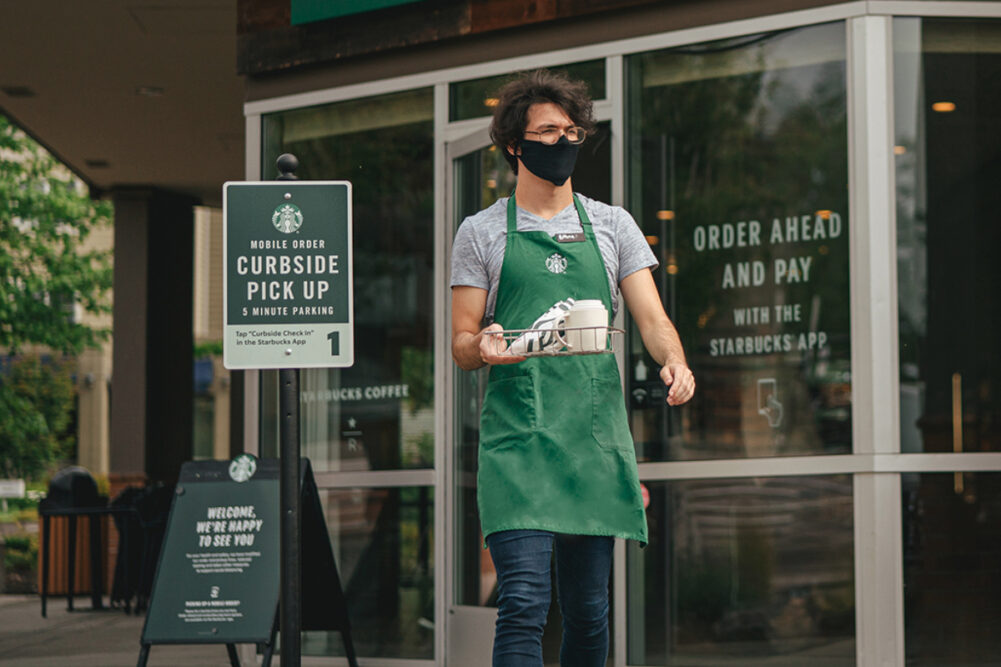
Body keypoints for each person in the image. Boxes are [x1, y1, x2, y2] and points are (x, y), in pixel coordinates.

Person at [450, 69, 695, 667]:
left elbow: (652, 318)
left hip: (591, 438)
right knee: (525, 602)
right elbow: (459, 340)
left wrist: (675, 361)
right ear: (515, 145)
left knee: (588, 609)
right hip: (518, 441)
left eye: (570, 131)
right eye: (547, 132)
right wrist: (480, 345)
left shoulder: (613, 225)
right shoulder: (480, 232)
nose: (561, 142)